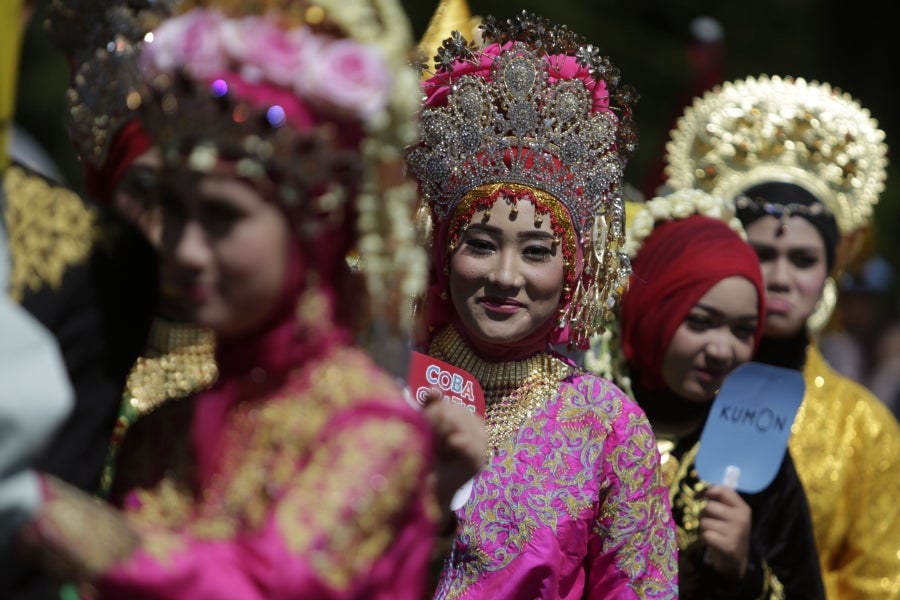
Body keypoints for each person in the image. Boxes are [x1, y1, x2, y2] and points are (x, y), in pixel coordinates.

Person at [5, 1, 464, 597]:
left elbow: (262, 584)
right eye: (172, 208)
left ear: (312, 227)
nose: (186, 250)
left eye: (222, 215)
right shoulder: (164, 427)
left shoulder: (372, 431)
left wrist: (40, 510)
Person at [406, 11, 678, 599]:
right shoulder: (380, 388)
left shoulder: (609, 426)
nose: (506, 277)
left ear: (574, 269)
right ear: (441, 248)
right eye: (481, 245)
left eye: (536, 252)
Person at [665, 74, 900, 598]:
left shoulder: (864, 429)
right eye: (761, 253)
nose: (780, 277)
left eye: (803, 259)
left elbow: (878, 586)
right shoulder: (674, 394)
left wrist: (754, 575)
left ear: (834, 266)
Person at [589, 190, 825, 597]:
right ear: (650, 312)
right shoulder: (581, 425)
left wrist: (742, 570)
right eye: (700, 322)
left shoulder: (756, 454)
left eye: (742, 330)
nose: (721, 350)